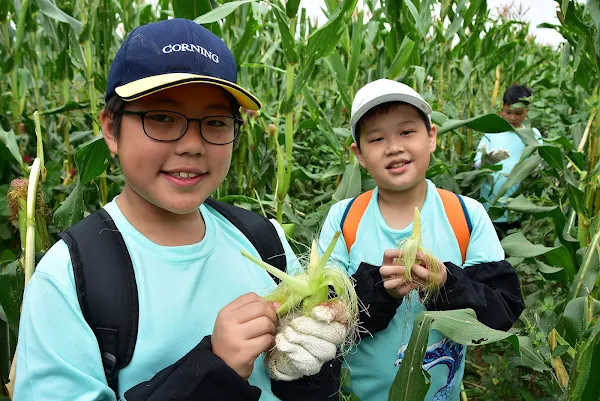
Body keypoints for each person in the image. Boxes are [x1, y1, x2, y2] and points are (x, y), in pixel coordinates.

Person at [13, 18, 348, 401]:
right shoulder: (69, 279)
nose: (192, 145)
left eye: (216, 122)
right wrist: (210, 373)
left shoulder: (264, 241)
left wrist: (307, 374)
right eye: (162, 118)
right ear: (110, 128)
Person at [318, 79, 525, 401]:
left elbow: (501, 311)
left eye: (406, 132)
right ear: (358, 154)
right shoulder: (344, 219)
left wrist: (446, 283)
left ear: (431, 137)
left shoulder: (467, 215)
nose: (393, 147)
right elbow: (324, 312)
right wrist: (378, 289)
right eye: (376, 138)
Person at [474, 84, 543, 234]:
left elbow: (540, 167)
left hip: (518, 209)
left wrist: (537, 170)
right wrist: (486, 161)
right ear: (502, 109)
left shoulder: (533, 135)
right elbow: (476, 165)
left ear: (527, 111)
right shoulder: (492, 132)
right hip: (489, 209)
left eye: (518, 113)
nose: (512, 117)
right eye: (508, 112)